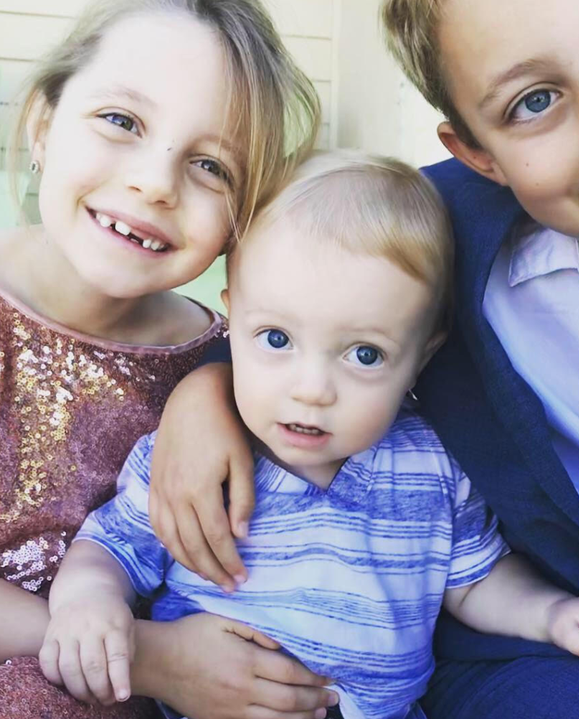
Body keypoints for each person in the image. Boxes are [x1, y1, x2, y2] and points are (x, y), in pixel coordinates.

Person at [148, 0, 579, 717]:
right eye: (533, 101)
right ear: (477, 153)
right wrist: (207, 391)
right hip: (534, 659)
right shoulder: (424, 235)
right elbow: (301, 307)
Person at [41, 152, 579, 719]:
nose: (312, 388)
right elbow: (111, 549)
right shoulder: (199, 464)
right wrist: (88, 601)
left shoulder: (432, 465)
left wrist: (552, 613)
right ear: (230, 322)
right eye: (277, 340)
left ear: (422, 358)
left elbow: (474, 582)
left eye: (364, 355)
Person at [0, 1, 337, 718]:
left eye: (211, 165)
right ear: (41, 123)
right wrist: (155, 657)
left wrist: (209, 386)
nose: (156, 183)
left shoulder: (230, 362)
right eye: (121, 121)